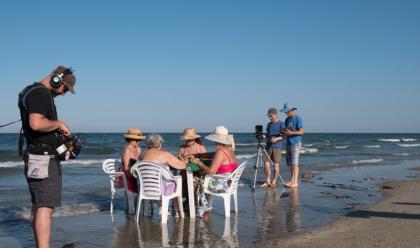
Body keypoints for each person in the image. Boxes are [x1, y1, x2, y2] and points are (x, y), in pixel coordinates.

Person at [18, 65, 76, 248]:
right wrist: (59, 123)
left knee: (39, 204)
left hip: (35, 155)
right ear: (56, 79)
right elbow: (36, 123)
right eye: (65, 88)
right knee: (44, 207)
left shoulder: (30, 91)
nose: (64, 93)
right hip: (44, 158)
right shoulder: (41, 94)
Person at [141, 134, 187, 217]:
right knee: (175, 183)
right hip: (160, 189)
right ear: (159, 144)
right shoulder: (164, 154)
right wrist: (184, 160)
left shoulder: (142, 154)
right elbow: (182, 166)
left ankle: (161, 208)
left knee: (159, 180)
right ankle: (177, 211)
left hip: (145, 187)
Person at [190, 125, 237, 191]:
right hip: (230, 183)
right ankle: (204, 200)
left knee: (192, 181)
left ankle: (200, 201)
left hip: (222, 185)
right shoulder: (230, 150)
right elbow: (211, 155)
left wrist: (198, 163)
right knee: (201, 174)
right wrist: (198, 155)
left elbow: (210, 172)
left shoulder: (220, 151)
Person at [121, 128, 145, 214]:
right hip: (128, 174)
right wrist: (135, 175)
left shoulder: (138, 149)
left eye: (140, 140)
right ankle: (133, 210)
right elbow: (126, 168)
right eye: (137, 140)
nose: (139, 142)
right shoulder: (127, 150)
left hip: (137, 172)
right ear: (131, 139)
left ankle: (144, 207)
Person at [280, 103, 304, 188]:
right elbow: (287, 131)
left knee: (295, 163)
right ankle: (292, 180)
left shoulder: (298, 118)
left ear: (291, 110)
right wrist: (283, 133)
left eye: (287, 112)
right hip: (289, 142)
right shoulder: (287, 120)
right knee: (290, 163)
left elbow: (301, 131)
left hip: (296, 142)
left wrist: (292, 133)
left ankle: (295, 182)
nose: (286, 113)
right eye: (285, 112)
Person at [260, 107, 284, 188]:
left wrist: (276, 138)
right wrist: (263, 136)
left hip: (277, 146)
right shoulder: (269, 124)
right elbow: (267, 133)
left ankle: (274, 181)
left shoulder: (281, 124)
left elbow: (284, 136)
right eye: (269, 116)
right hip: (268, 146)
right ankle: (267, 181)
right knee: (266, 164)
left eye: (271, 116)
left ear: (275, 115)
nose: (270, 118)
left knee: (276, 164)